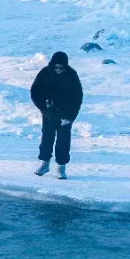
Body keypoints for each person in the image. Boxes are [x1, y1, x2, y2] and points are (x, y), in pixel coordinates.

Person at [30, 51, 83, 179]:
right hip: (49, 113)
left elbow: (77, 97)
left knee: (63, 141)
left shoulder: (71, 75)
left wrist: (70, 117)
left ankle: (61, 167)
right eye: (56, 67)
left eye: (61, 68)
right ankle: (45, 164)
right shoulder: (44, 73)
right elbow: (35, 92)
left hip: (66, 114)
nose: (58, 70)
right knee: (47, 138)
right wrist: (43, 108)